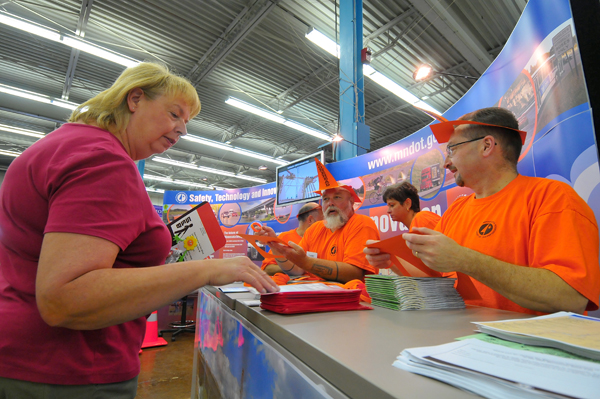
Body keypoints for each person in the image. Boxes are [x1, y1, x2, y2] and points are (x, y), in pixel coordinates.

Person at [0, 62, 278, 397]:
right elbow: (65, 297)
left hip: (26, 355)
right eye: (175, 114)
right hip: (70, 367)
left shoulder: (66, 145)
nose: (182, 130)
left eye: (186, 122)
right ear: (135, 99)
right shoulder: (103, 160)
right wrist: (206, 270)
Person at [365, 107, 600, 315]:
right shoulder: (457, 210)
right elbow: (438, 281)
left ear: (486, 145)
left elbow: (571, 297)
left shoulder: (552, 198)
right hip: (462, 345)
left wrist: (465, 259)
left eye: (453, 149)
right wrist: (391, 261)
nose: (446, 162)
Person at [257, 160, 380, 283]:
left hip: (349, 298)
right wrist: (275, 246)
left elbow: (355, 274)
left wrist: (307, 262)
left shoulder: (361, 223)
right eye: (326, 199)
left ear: (351, 202)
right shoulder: (315, 229)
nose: (330, 203)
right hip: (313, 294)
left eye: (337, 197)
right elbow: (297, 270)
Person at [382, 181, 442, 277]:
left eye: (392, 205)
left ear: (407, 204)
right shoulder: (416, 224)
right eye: (388, 206)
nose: (388, 211)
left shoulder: (422, 218)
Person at [261, 202, 324, 276]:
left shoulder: (324, 239)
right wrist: (293, 268)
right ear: (310, 220)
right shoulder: (284, 238)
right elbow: (267, 269)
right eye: (323, 219)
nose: (326, 223)